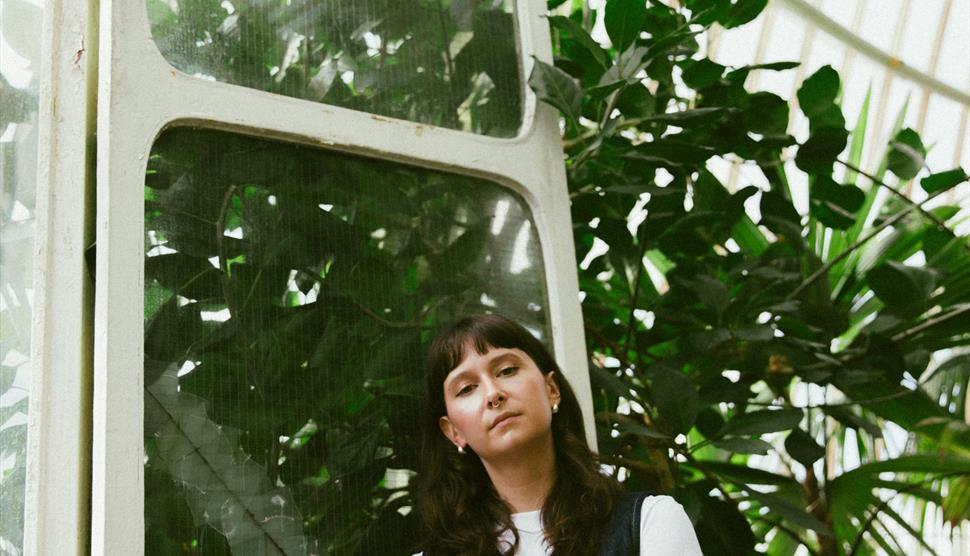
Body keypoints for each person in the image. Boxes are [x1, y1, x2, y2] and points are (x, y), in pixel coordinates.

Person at [415, 314, 702, 555]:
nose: (493, 394)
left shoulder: (649, 523)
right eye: (466, 388)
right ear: (453, 432)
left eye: (506, 370)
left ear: (552, 389)